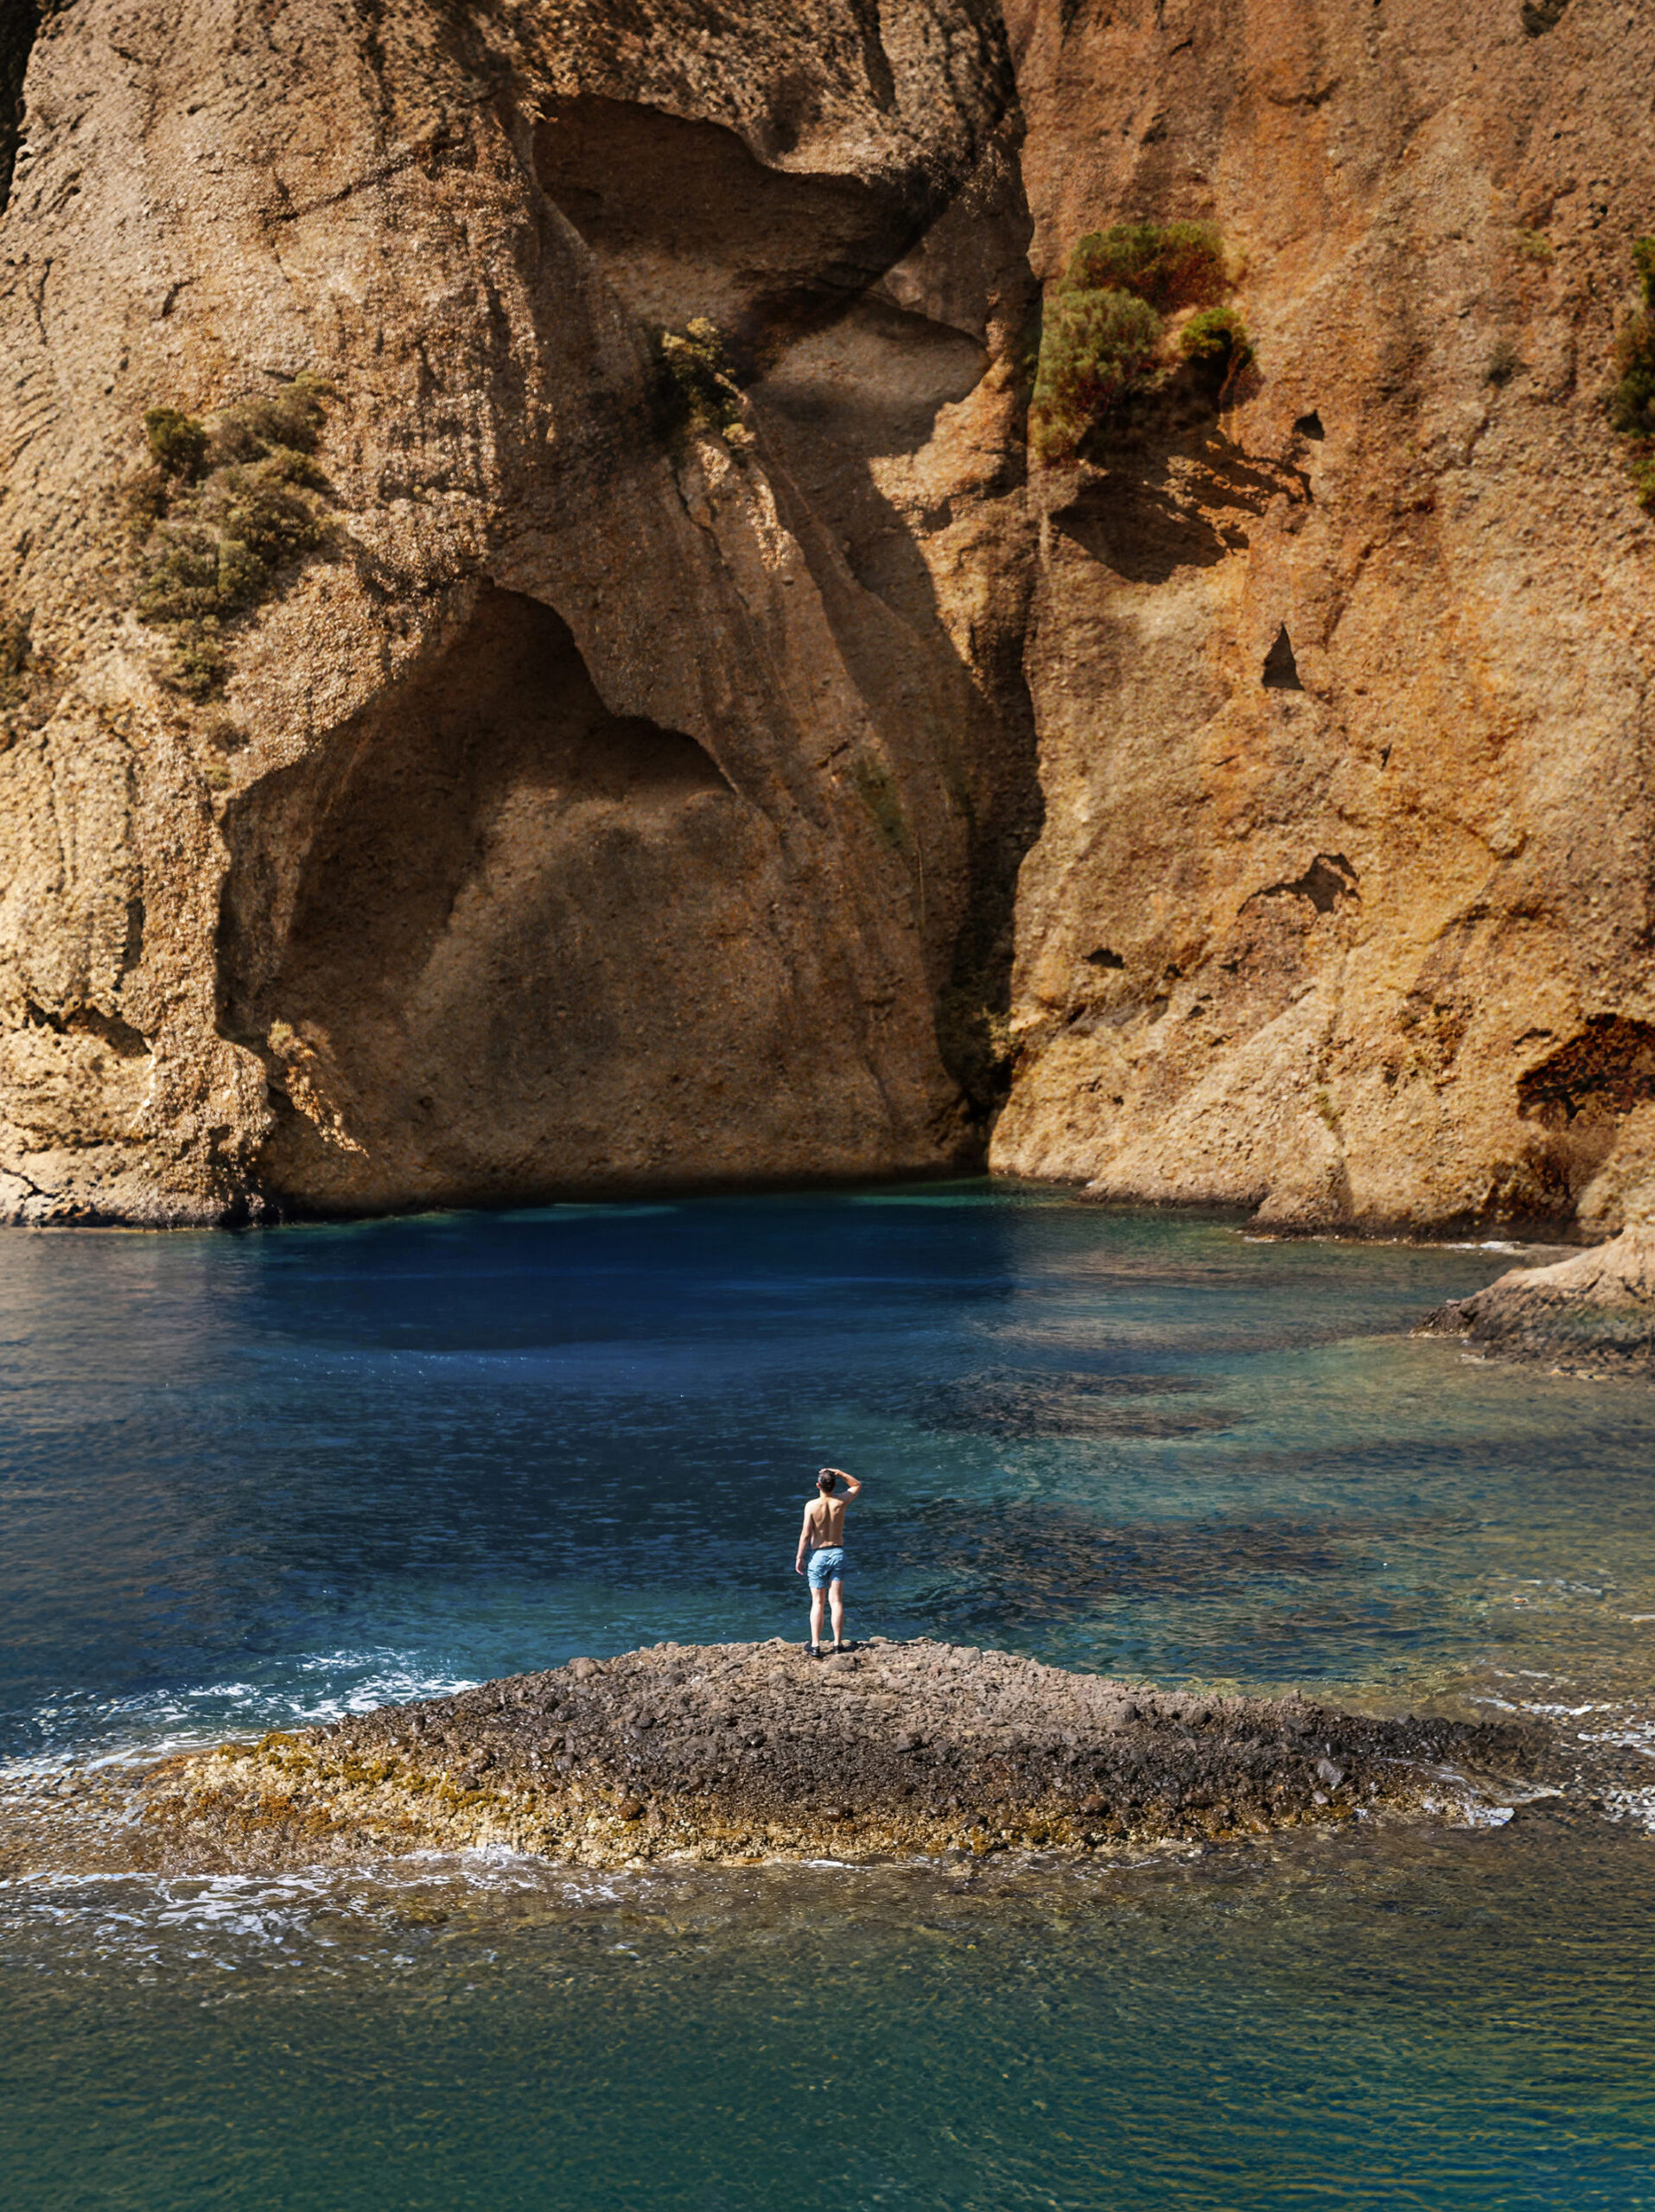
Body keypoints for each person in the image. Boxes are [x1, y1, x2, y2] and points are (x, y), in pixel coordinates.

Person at [795, 1465, 862, 1656]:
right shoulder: (840, 1502)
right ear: (834, 1485)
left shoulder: (811, 1506)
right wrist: (839, 1473)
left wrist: (800, 1556)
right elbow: (856, 1485)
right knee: (836, 1601)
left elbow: (806, 1534)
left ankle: (816, 1645)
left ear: (818, 1485)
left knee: (818, 1602)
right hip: (837, 1553)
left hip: (819, 1554)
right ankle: (837, 1644)